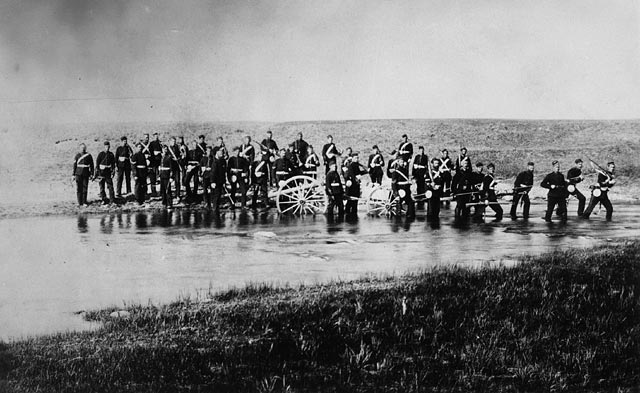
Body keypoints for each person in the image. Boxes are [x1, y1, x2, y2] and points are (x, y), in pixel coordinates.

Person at [210, 147, 227, 213]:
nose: (222, 153)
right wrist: (212, 182)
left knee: (219, 195)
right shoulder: (215, 162)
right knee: (216, 196)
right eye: (220, 151)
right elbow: (212, 173)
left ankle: (216, 209)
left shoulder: (222, 161)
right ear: (216, 153)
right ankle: (214, 209)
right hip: (216, 182)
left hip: (221, 181)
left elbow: (223, 172)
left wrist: (224, 181)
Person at [149, 132, 162, 197]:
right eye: (155, 136)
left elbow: (163, 151)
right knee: (153, 178)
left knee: (159, 177)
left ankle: (161, 192)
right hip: (153, 162)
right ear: (153, 137)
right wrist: (154, 153)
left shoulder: (160, 143)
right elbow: (150, 152)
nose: (156, 137)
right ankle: (153, 192)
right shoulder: (151, 144)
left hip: (159, 162)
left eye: (157, 136)